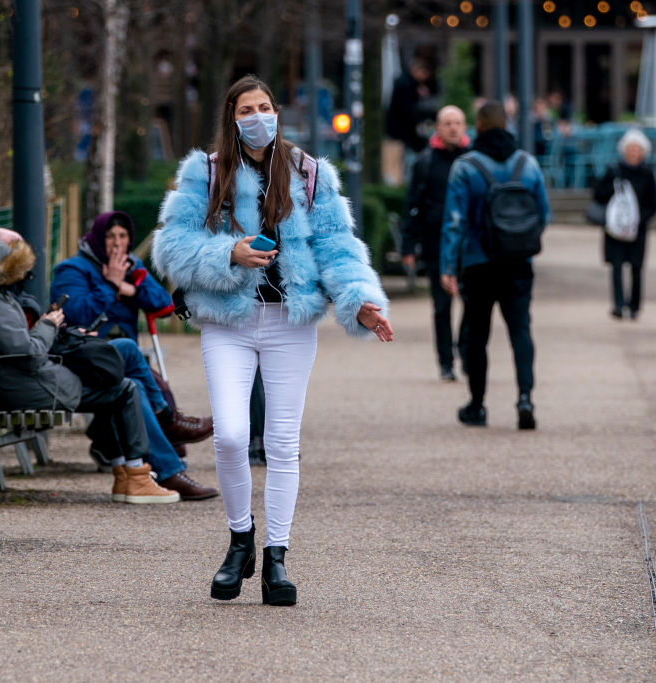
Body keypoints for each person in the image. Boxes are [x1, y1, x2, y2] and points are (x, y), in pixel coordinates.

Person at [152, 75, 394, 607]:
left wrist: (358, 299)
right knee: (233, 436)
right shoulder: (206, 172)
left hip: (290, 322)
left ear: (277, 112)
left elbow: (337, 245)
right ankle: (240, 541)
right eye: (247, 109)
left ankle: (277, 558)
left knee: (283, 443)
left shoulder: (309, 173)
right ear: (231, 117)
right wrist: (226, 255)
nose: (258, 116)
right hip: (228, 322)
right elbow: (171, 245)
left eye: (265, 107)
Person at [0, 231, 180, 503]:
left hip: (18, 382)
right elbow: (29, 352)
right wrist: (48, 326)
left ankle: (127, 471)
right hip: (29, 387)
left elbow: (16, 345)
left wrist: (47, 327)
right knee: (125, 387)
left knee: (116, 373)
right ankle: (138, 473)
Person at [50, 210, 214, 443]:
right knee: (148, 385)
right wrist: (110, 285)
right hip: (86, 351)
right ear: (98, 237)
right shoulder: (73, 270)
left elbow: (164, 303)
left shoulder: (132, 266)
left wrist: (133, 291)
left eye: (123, 236)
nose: (117, 243)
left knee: (153, 386)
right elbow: (77, 314)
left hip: (125, 351)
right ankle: (166, 443)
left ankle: (113, 444)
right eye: (110, 236)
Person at [440, 101, 551, 431]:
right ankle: (525, 398)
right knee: (521, 331)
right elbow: (543, 215)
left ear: (478, 125)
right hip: (518, 263)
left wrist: (448, 265)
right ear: (508, 124)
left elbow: (454, 222)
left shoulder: (465, 167)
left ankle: (477, 405)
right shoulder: (527, 164)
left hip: (478, 263)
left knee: (477, 336)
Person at [402, 105, 471, 382]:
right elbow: (412, 204)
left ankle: (466, 351)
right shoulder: (426, 161)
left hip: (469, 245)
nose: (453, 128)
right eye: (447, 123)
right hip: (435, 244)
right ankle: (445, 361)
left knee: (473, 304)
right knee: (442, 307)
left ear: (464, 127)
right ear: (438, 128)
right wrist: (409, 245)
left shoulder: (473, 158)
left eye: (457, 122)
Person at [592, 129, 656, 321]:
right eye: (630, 148)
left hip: (638, 229)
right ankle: (618, 304)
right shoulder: (614, 171)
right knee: (617, 266)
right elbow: (598, 194)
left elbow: (654, 204)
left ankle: (635, 305)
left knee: (637, 268)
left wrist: (638, 219)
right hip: (615, 228)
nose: (633, 153)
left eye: (637, 149)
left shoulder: (647, 174)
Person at [386, 52, 438, 153]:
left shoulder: (406, 82)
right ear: (418, 70)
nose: (424, 79)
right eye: (424, 74)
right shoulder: (406, 84)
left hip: (400, 127)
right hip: (401, 128)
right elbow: (409, 109)